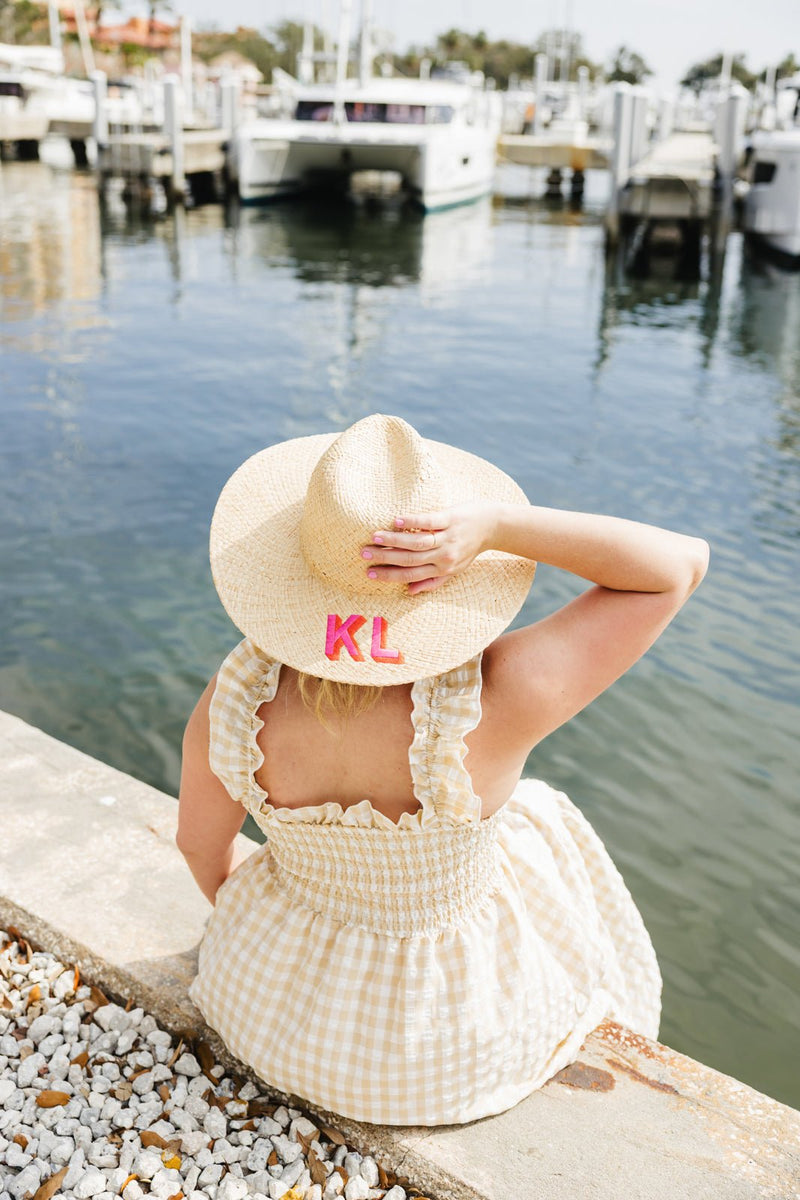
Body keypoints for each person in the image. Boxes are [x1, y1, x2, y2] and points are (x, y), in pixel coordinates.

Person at [178, 413, 709, 1127]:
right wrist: (497, 526)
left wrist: (280, 927)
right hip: (436, 1061)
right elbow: (676, 567)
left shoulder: (235, 698)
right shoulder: (498, 697)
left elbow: (199, 847)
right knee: (537, 812)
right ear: (443, 567)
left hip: (263, 1014)